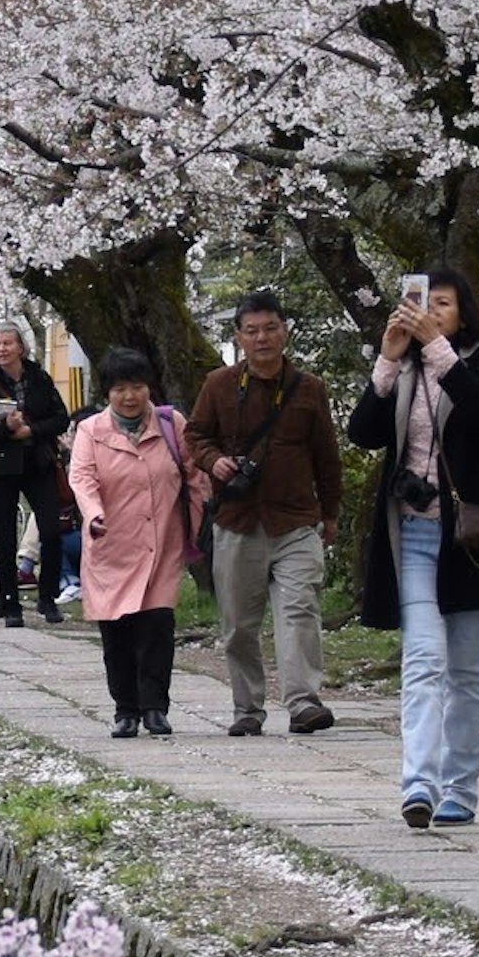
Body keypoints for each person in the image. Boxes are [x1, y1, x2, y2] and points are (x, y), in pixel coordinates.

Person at [350, 266, 479, 830]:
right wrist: (388, 358)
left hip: (470, 539)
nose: (430, 311)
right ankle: (418, 785)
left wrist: (439, 350)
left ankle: (460, 788)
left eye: (442, 304)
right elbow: (364, 433)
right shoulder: (402, 368)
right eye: (424, 303)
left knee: (468, 672)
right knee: (424, 659)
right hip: (414, 533)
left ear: (462, 313)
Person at [189, 292, 346, 738]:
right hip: (238, 520)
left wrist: (330, 512)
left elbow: (326, 456)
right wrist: (213, 460)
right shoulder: (219, 384)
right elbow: (195, 434)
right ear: (238, 337)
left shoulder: (309, 388)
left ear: (285, 330)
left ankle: (302, 702)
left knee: (299, 610)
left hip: (296, 519)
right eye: (252, 330)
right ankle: (248, 707)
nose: (262, 338)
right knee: (239, 624)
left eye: (270, 328)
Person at [68, 349, 192, 738]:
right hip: (111, 543)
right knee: (117, 632)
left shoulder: (171, 425)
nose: (129, 396)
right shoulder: (91, 431)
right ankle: (125, 709)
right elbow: (82, 478)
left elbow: (195, 478)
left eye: (137, 387)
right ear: (107, 392)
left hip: (162, 542)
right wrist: (93, 513)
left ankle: (155, 707)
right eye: (120, 388)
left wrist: (201, 526)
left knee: (157, 625)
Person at [0, 324, 71, 626]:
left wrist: (32, 430)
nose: (2, 349)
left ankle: (47, 597)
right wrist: (6, 429)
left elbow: (61, 418)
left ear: (21, 348)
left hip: (37, 464)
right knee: (4, 536)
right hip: (2, 468)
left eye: (7, 343)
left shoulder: (40, 379)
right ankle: (10, 604)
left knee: (51, 530)